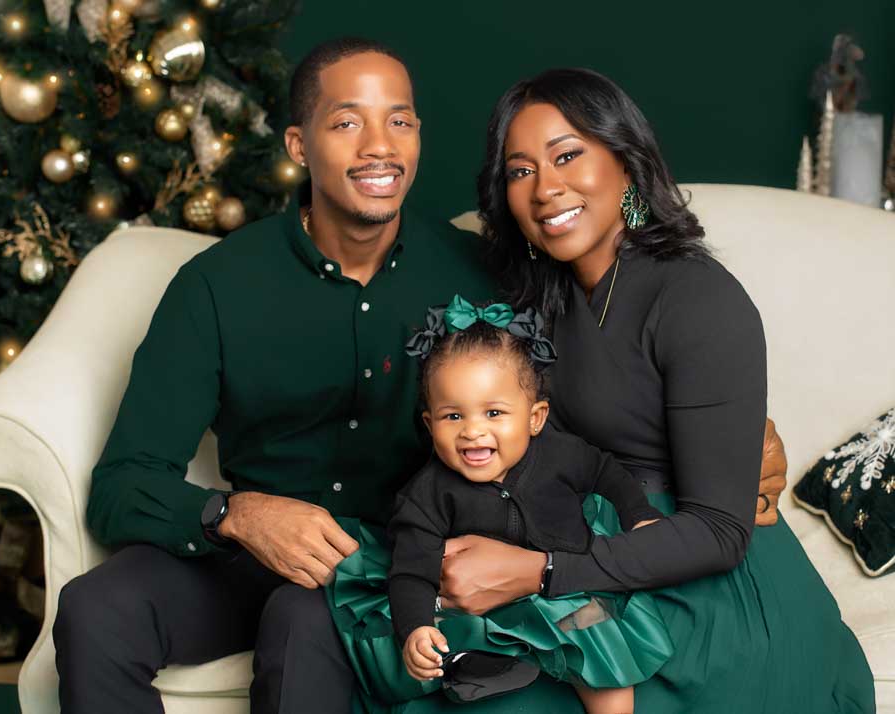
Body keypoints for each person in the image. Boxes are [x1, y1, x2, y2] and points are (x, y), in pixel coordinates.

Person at [51, 38, 790, 713]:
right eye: (347, 124)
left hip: (395, 565)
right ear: (298, 144)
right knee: (95, 612)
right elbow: (121, 487)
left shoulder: (486, 274)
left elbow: (583, 387)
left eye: (400, 122)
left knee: (305, 621)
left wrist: (738, 433)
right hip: (246, 553)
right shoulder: (215, 286)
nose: (379, 147)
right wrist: (234, 514)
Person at [413, 67, 870, 713]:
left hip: (710, 599)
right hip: (593, 571)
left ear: (625, 162)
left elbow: (719, 530)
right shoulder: (539, 301)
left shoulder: (697, 298)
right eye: (520, 172)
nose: (546, 188)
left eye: (567, 155)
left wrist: (538, 571)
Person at [328, 294, 677, 714]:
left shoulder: (562, 454)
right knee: (445, 649)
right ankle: (486, 670)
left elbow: (607, 473)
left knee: (600, 649)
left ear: (535, 417)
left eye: (494, 413)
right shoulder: (426, 495)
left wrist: (638, 515)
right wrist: (415, 629)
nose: (473, 432)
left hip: (565, 591)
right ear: (429, 423)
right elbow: (411, 574)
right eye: (453, 417)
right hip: (485, 609)